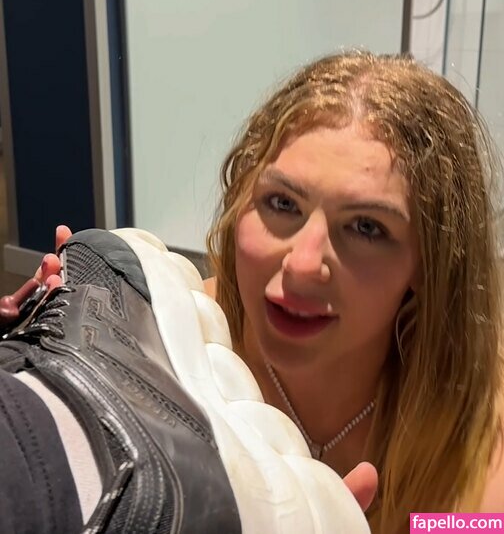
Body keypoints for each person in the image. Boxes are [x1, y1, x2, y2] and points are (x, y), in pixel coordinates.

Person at [6, 51, 504, 533]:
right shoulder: (156, 334)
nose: (303, 265)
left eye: (367, 227)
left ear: (429, 263)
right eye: (282, 202)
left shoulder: (476, 434)